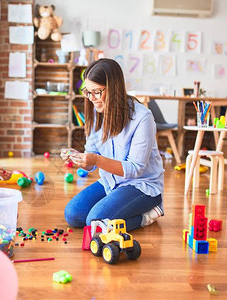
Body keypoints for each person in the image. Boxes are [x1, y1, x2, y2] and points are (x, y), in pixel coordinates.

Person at [61, 58, 164, 232]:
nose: (92, 98)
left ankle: (147, 215)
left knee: (95, 222)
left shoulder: (142, 117)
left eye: (97, 92)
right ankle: (119, 209)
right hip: (111, 182)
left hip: (141, 186)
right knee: (73, 214)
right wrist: (80, 158)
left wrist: (96, 159)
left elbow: (134, 169)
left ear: (113, 89)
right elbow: (91, 157)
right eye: (88, 92)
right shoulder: (97, 113)